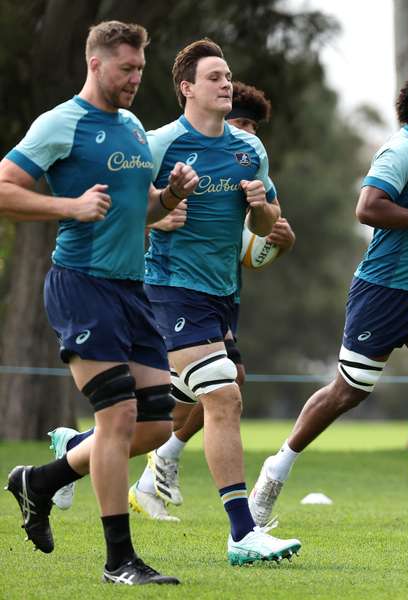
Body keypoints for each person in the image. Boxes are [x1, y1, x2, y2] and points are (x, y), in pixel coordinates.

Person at [248, 73, 408, 539]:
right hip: (383, 292)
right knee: (348, 391)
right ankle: (277, 467)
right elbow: (367, 208)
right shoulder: (402, 149)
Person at [0, 21, 195, 584]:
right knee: (117, 417)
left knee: (158, 423)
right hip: (81, 285)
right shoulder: (61, 123)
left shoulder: (133, 127)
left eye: (139, 68)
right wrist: (69, 207)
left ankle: (40, 480)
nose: (136, 78)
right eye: (126, 68)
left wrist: (171, 195)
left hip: (131, 291)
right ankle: (119, 561)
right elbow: (5, 187)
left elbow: (145, 213)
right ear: (95, 64)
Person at [140, 39, 300, 564]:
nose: (226, 83)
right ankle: (242, 533)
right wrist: (160, 210)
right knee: (225, 394)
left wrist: (259, 210)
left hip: (222, 293)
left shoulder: (248, 149)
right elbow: (119, 207)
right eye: (214, 77)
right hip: (169, 286)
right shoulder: (160, 142)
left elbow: (263, 223)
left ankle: (68, 454)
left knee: (160, 414)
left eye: (228, 75)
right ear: (187, 88)